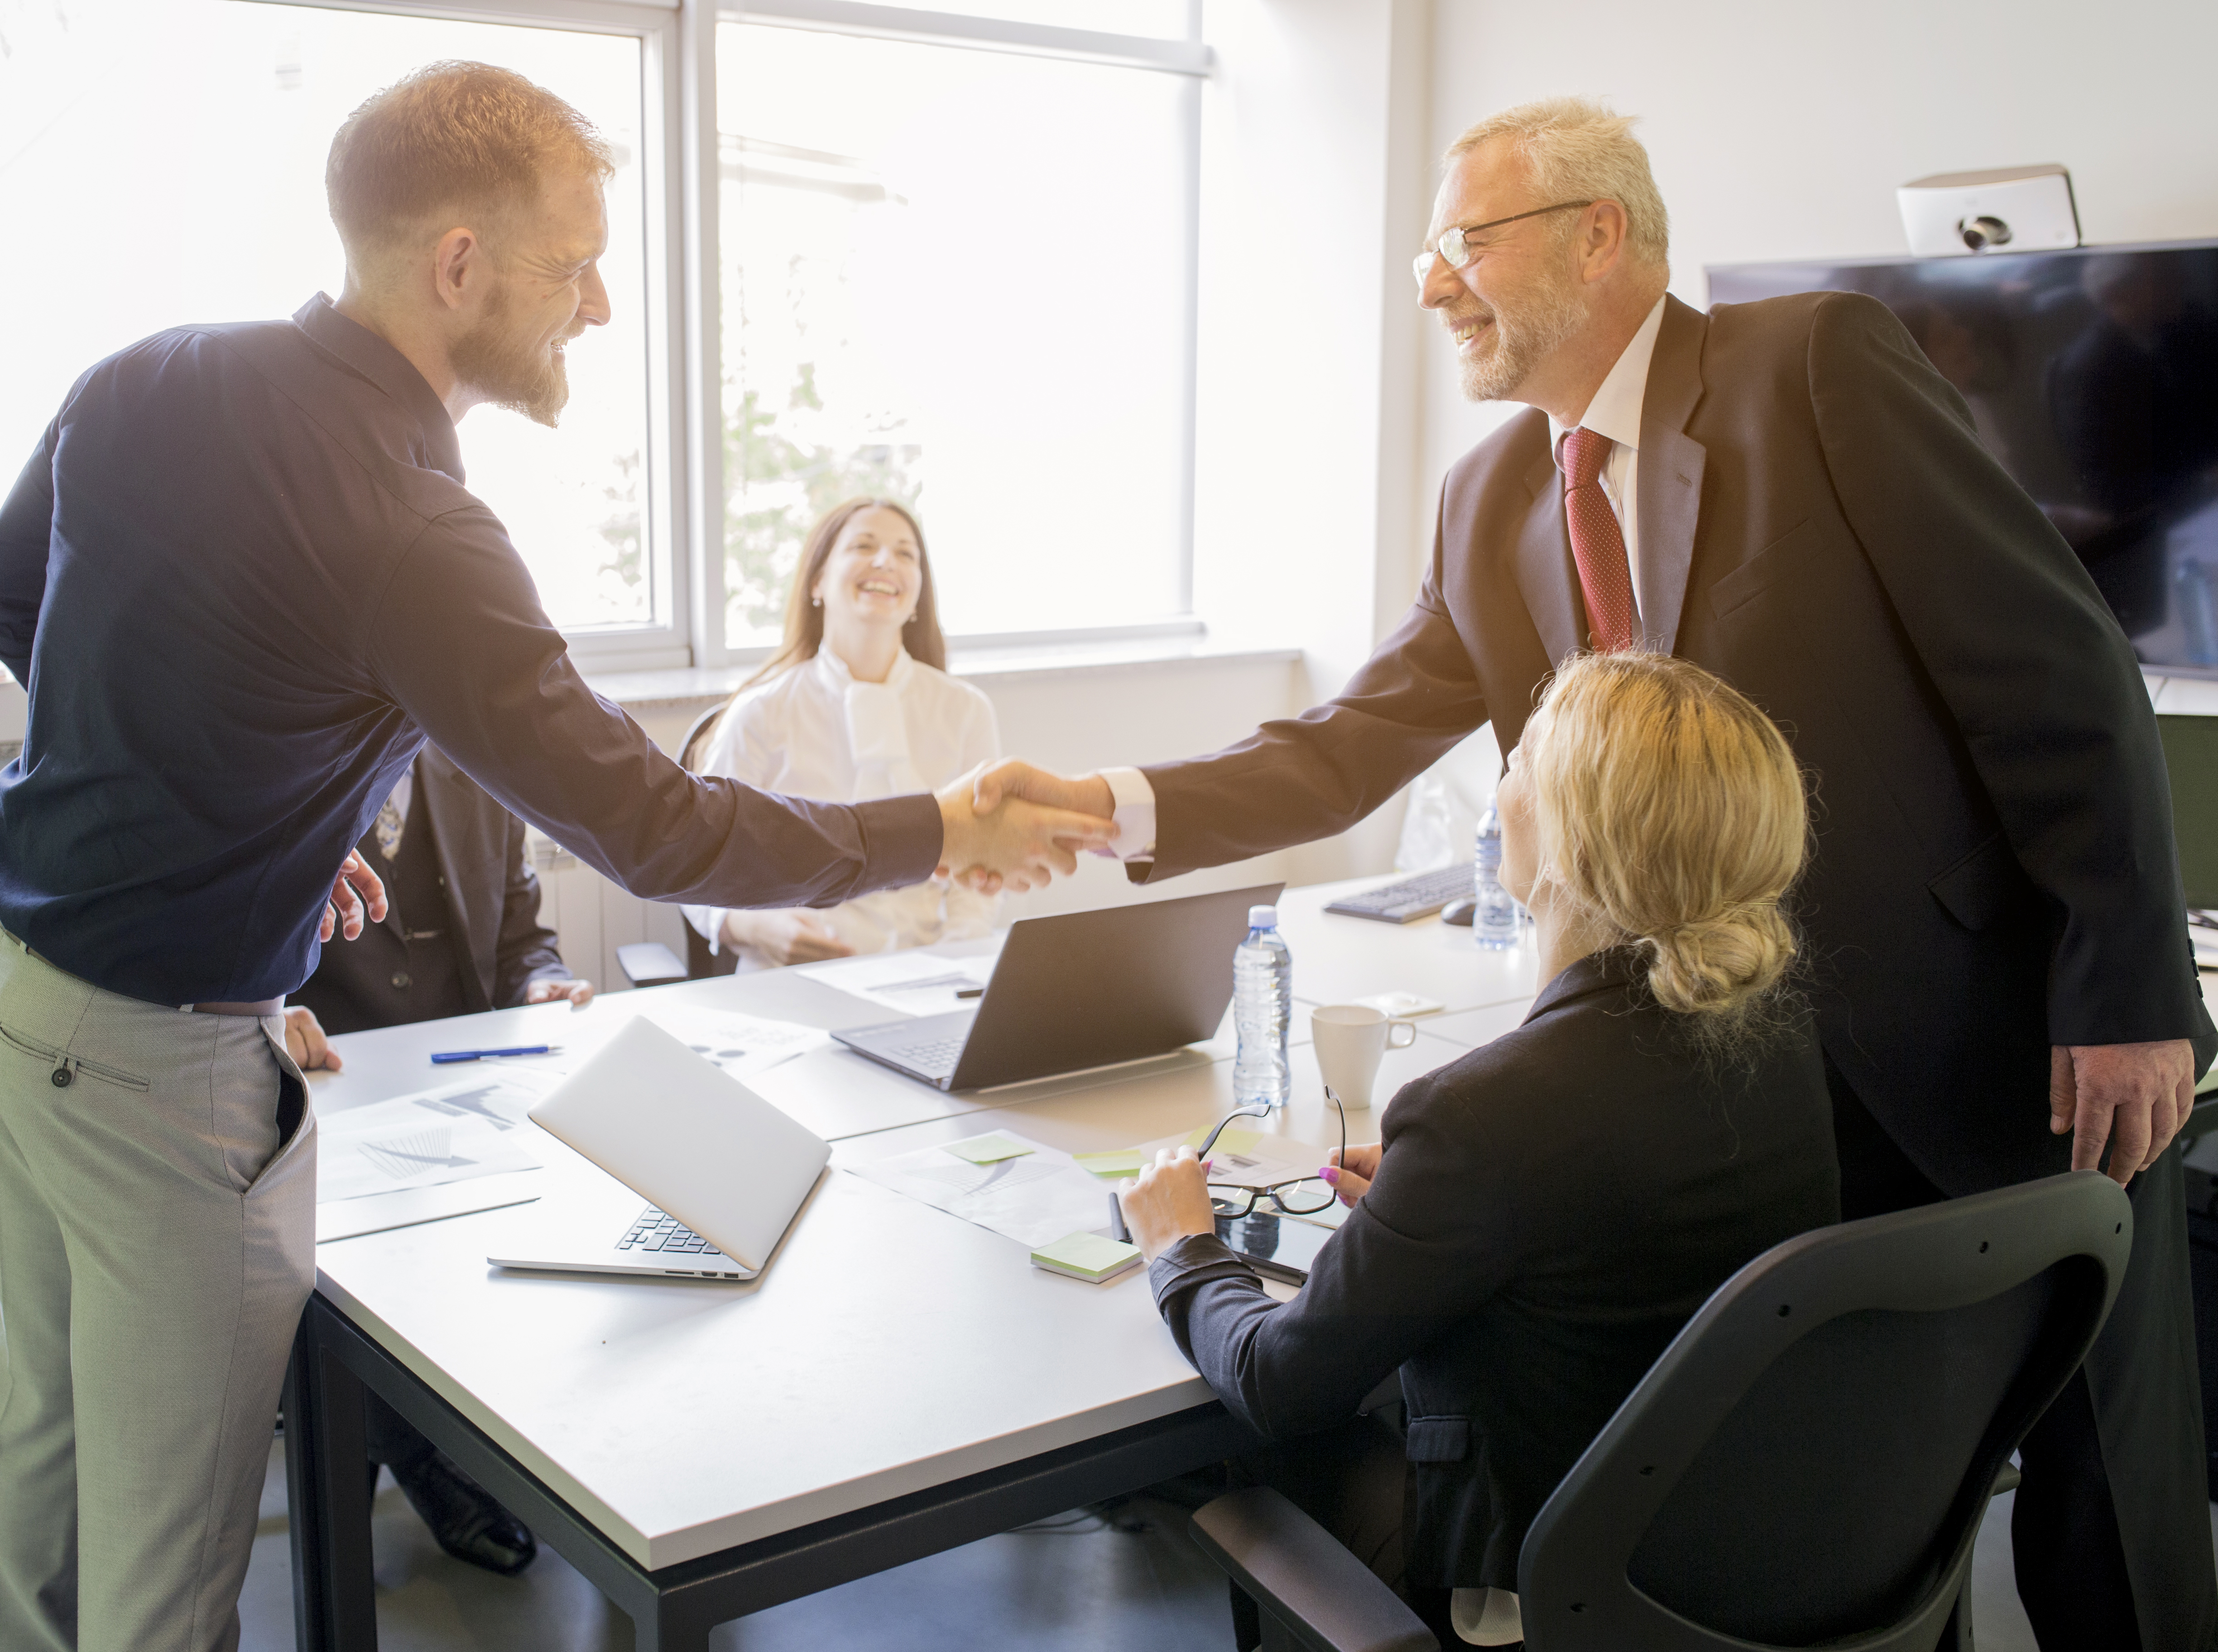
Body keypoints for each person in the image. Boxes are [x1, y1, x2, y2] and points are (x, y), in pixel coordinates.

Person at [985, 96, 2218, 1650]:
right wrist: (1105, 795)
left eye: (1460, 243)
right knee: (1856, 1484)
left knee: (2098, 1473)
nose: (1431, 283)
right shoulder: (1488, 500)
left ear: (1596, 234)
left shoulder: (1812, 369)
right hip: (1735, 1087)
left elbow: (2062, 675)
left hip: (1982, 1033)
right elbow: (1344, 744)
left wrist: (2126, 992)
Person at [0, 62, 1106, 1652]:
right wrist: (941, 823)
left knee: (40, 1504)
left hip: (26, 998)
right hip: (165, 1070)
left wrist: (218, 808)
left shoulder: (147, 374)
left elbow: (25, 606)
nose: (597, 303)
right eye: (575, 262)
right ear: (457, 264)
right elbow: (657, 827)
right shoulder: (411, 523)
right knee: (164, 1596)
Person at [1119, 651, 1840, 1648]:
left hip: (1534, 1588)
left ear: (1567, 836)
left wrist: (1182, 1247)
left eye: (1523, 759)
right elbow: (1600, 1225)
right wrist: (1429, 1206)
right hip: (1731, 1555)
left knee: (1219, 1456)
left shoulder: (1485, 1115)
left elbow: (1280, 1383)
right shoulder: (1775, 1039)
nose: (1501, 780)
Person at [283, 744, 598, 1577]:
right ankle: (420, 1456)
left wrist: (544, 983)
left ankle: (408, 1441)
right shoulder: (282, 759)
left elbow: (523, 938)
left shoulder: (475, 768)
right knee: (351, 1254)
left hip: (459, 1091)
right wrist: (267, 1012)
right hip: (328, 1087)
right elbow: (227, 933)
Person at [681, 499, 999, 969]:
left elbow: (980, 872)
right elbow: (695, 868)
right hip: (796, 978)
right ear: (817, 582)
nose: (885, 561)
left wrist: (950, 966)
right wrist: (759, 928)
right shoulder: (761, 713)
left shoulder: (966, 710)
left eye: (905, 554)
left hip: (933, 973)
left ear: (917, 596)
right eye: (863, 546)